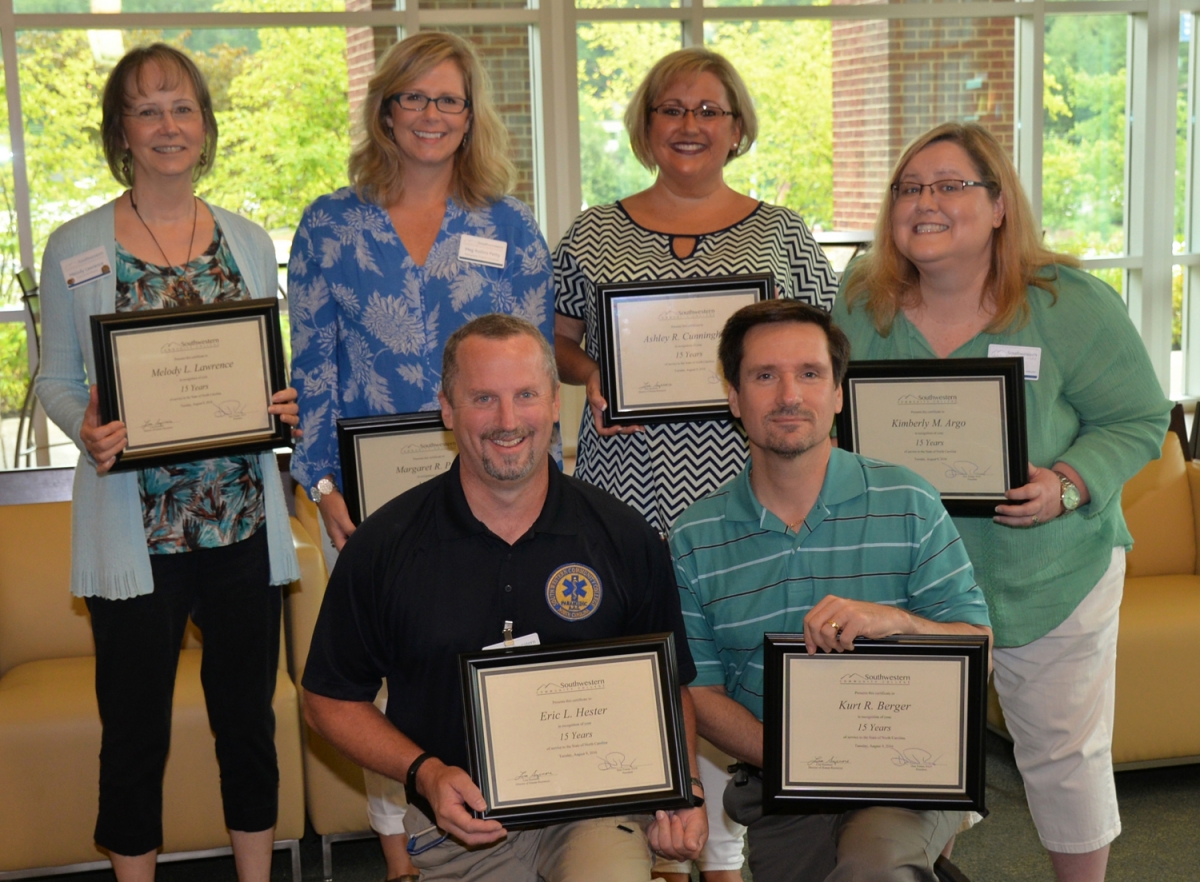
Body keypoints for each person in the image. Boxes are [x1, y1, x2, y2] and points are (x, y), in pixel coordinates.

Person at [834, 122, 1171, 882]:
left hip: (1049, 571)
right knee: (917, 751)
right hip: (909, 577)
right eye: (910, 188)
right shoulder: (861, 304)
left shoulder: (1067, 303)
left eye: (951, 185)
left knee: (1061, 755)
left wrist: (1068, 482)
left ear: (998, 207)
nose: (927, 201)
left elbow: (1139, 418)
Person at [553, 46, 836, 881]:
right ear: (645, 127)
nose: (690, 125)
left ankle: (725, 853)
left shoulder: (782, 231)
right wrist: (598, 375)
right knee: (642, 660)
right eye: (672, 110)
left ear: (738, 126)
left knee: (730, 658)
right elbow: (559, 344)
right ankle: (656, 844)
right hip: (628, 480)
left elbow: (817, 352)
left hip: (747, 486)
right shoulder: (594, 231)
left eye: (709, 110)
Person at [300, 314, 708, 881]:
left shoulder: (625, 537)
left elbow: (669, 686)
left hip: (594, 811)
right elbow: (327, 699)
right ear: (447, 409)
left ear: (555, 403)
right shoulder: (385, 546)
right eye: (483, 399)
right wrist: (424, 773)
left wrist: (684, 787)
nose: (508, 420)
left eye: (526, 395)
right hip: (460, 823)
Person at [286, 32, 555, 873]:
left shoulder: (508, 228)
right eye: (414, 97)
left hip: (491, 490)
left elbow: (536, 363)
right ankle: (400, 850)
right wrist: (325, 487)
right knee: (380, 674)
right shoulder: (330, 225)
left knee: (479, 649)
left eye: (449, 99)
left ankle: (504, 812)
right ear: (386, 110)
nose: (432, 115)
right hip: (366, 497)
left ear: (472, 115)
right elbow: (313, 365)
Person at [33, 44, 301, 882]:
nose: (167, 126)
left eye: (182, 107)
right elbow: (56, 379)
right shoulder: (75, 245)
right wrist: (91, 429)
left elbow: (269, 371)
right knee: (136, 728)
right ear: (121, 130)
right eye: (147, 110)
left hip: (242, 522)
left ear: (205, 126)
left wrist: (279, 406)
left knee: (248, 725)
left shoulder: (250, 240)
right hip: (136, 535)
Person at [673, 300, 993, 882]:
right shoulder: (694, 537)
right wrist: (801, 758)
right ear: (734, 397)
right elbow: (701, 690)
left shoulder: (909, 502)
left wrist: (901, 623)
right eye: (765, 376)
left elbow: (979, 644)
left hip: (905, 771)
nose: (789, 394)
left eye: (810, 374)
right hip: (780, 783)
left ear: (840, 393)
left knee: (874, 866)